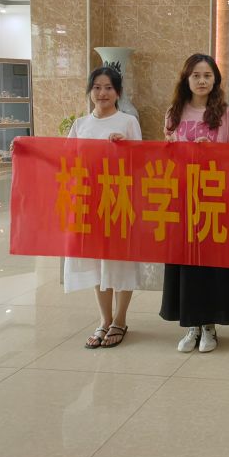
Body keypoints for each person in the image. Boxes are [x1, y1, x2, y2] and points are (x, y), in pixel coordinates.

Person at [160, 54, 229, 353]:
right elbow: (166, 157)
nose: (201, 81)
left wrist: (212, 152)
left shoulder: (225, 113)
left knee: (211, 263)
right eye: (196, 75)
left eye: (207, 75)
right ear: (186, 79)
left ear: (215, 80)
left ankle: (210, 326)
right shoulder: (173, 112)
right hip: (182, 196)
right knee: (187, 262)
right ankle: (191, 325)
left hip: (214, 197)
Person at [64, 65, 142, 349]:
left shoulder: (128, 122)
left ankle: (120, 320)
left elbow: (141, 163)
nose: (102, 93)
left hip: (120, 202)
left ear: (118, 92)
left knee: (121, 260)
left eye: (109, 87)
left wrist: (123, 148)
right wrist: (25, 148)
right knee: (97, 261)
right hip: (89, 202)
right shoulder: (80, 125)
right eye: (97, 87)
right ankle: (104, 319)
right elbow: (65, 161)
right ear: (90, 91)